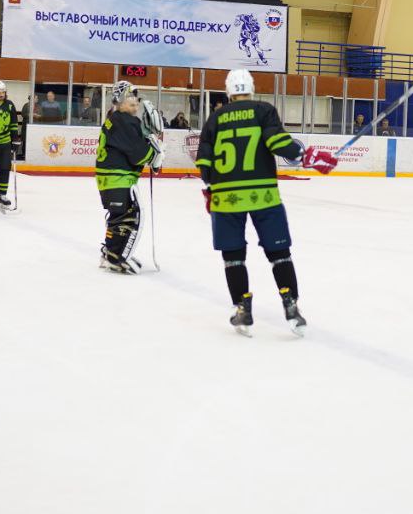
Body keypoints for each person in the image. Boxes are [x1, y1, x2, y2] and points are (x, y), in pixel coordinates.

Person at [194, 68, 337, 336]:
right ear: (252, 87)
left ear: (228, 91)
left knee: (233, 256)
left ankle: (242, 308)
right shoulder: (263, 110)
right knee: (279, 252)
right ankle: (291, 304)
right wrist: (306, 155)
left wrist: (211, 187)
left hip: (226, 196)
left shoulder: (215, 117)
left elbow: (204, 160)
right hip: (263, 193)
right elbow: (277, 142)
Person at [95, 81, 162, 273]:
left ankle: (109, 252)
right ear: (119, 101)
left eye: (136, 100)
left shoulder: (114, 119)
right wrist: (154, 155)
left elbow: (130, 145)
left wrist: (146, 137)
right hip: (118, 178)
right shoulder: (124, 120)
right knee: (130, 217)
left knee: (117, 217)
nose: (135, 104)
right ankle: (117, 257)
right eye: (130, 100)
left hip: (109, 178)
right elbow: (137, 153)